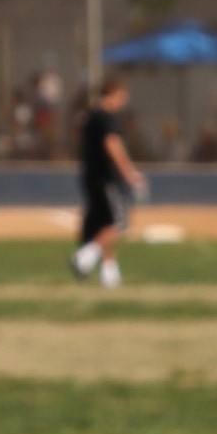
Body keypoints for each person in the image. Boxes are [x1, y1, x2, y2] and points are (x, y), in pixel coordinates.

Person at [73, 76, 141, 286]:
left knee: (102, 225)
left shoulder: (91, 116)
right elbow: (112, 145)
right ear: (112, 94)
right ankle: (86, 256)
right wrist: (129, 172)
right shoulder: (106, 118)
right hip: (106, 179)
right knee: (119, 223)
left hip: (91, 177)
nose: (123, 101)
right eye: (121, 96)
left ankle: (109, 273)